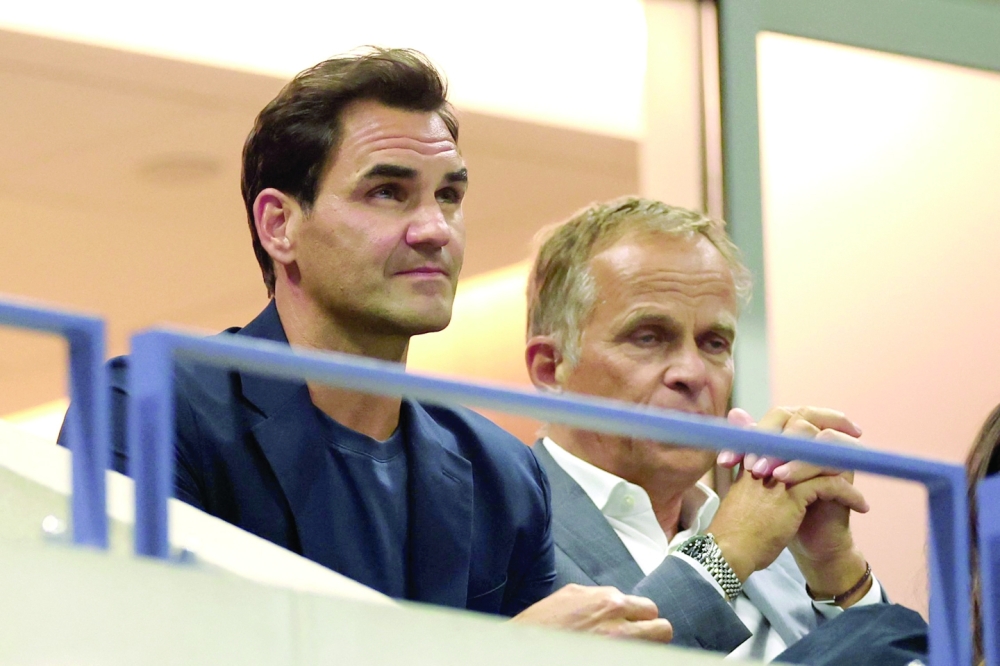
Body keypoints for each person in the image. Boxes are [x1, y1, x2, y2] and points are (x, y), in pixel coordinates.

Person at [59, 49, 671, 642]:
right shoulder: (151, 407)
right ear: (279, 225)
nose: (435, 229)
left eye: (449, 196)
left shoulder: (500, 472)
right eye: (387, 192)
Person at [524, 197, 885, 660]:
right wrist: (725, 554)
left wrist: (835, 565)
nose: (693, 373)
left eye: (714, 343)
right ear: (550, 368)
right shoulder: (491, 530)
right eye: (648, 337)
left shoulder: (781, 549)